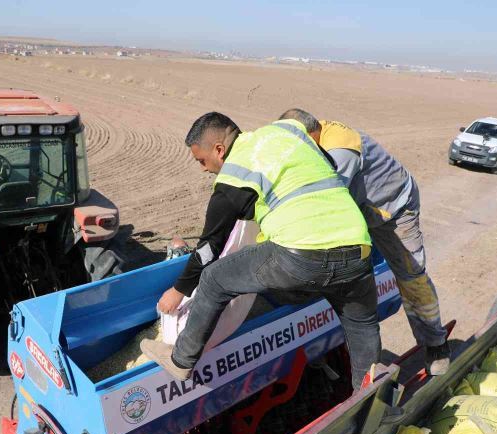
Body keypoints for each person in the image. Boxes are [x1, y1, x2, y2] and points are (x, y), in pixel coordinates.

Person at [140, 112, 381, 389]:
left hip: (301, 254)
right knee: (362, 326)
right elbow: (326, 166)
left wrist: (178, 291)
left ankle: (181, 360)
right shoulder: (289, 131)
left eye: (202, 160)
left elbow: (209, 251)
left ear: (219, 150)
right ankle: (371, 394)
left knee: (214, 279)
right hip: (357, 247)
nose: (204, 169)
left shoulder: (233, 176)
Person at [278, 109, 450, 374]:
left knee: (411, 276)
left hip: (394, 209)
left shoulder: (340, 151)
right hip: (360, 209)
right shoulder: (306, 138)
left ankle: (435, 343)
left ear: (311, 135)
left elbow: (325, 202)